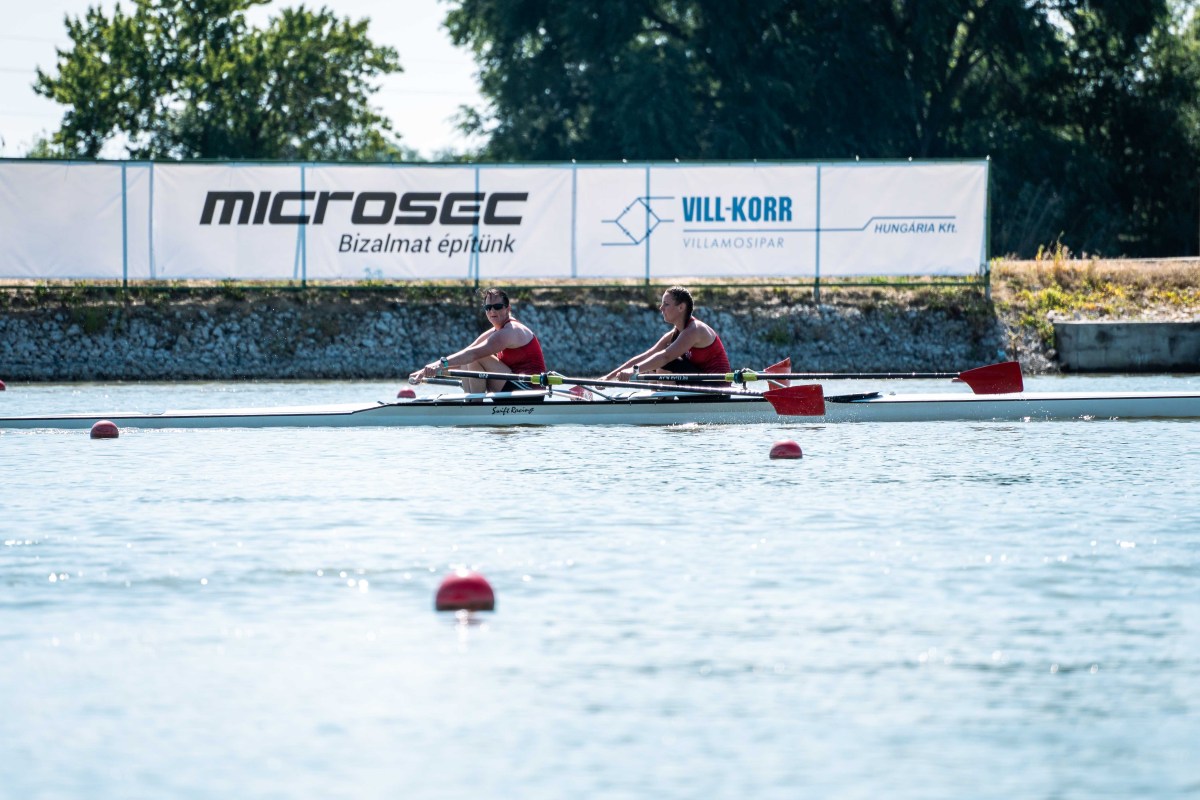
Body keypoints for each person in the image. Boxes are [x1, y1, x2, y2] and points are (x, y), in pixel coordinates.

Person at [409, 288, 546, 393]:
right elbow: (465, 354)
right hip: (514, 388)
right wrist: (425, 371)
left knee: (475, 357)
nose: (492, 311)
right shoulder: (495, 332)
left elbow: (473, 354)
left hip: (529, 391)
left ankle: (474, 406)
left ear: (507, 309)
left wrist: (439, 365)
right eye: (488, 308)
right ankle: (471, 403)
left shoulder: (510, 331)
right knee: (467, 360)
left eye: (497, 306)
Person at [603, 286, 730, 382]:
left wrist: (634, 370)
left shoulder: (695, 329)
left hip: (716, 388)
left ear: (681, 307)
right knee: (652, 361)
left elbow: (666, 357)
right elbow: (647, 356)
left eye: (666, 304)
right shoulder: (676, 333)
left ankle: (661, 402)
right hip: (699, 383)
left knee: (666, 362)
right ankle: (656, 399)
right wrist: (608, 378)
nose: (661, 308)